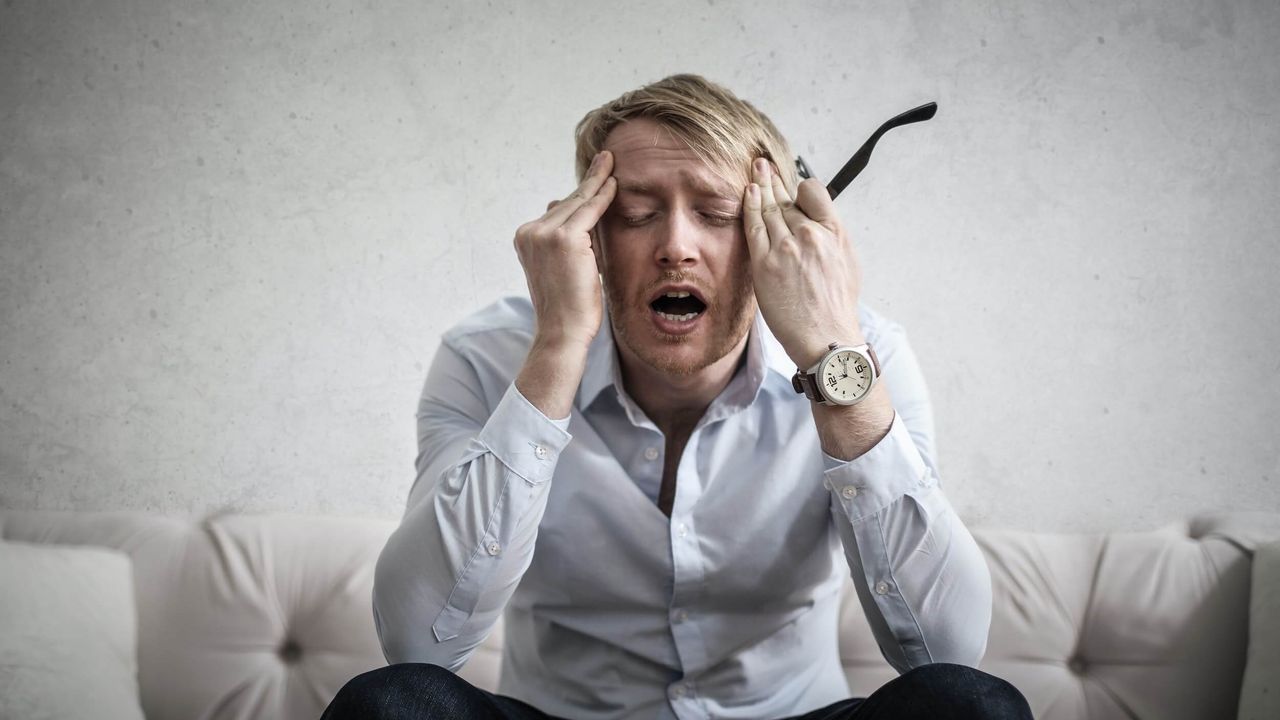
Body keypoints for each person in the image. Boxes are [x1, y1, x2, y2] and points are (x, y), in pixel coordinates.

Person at [323, 74, 1032, 719]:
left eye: (719, 213)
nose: (676, 247)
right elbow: (419, 645)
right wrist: (557, 348)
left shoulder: (865, 354)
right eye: (634, 214)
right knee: (389, 707)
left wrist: (832, 358)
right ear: (589, 237)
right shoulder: (486, 356)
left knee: (970, 709)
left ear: (778, 240)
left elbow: (946, 655)